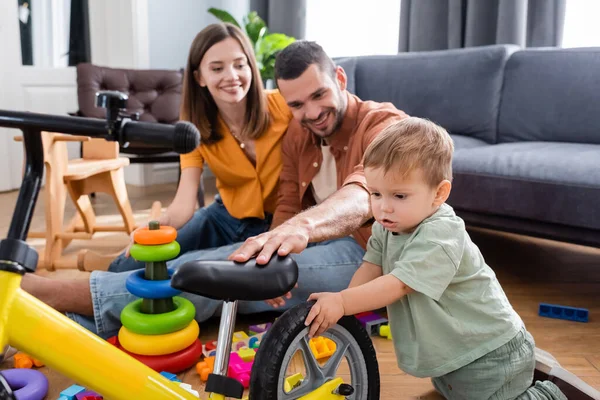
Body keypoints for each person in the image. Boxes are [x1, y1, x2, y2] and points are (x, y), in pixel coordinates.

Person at [21, 40, 408, 339]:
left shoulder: (384, 124)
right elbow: (289, 199)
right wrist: (274, 246)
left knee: (214, 275)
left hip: (368, 253)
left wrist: (300, 230)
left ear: (340, 79)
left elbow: (362, 195)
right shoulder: (299, 131)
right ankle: (68, 321)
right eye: (297, 104)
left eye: (319, 95)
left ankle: (60, 296)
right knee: (218, 262)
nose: (310, 112)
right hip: (319, 242)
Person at [303, 117, 594, 399]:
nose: (383, 208)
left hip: (488, 351)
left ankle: (550, 393)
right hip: (452, 352)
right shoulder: (386, 227)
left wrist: (342, 302)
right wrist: (344, 306)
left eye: (399, 196)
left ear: (439, 193)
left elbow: (398, 285)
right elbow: (371, 266)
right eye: (376, 194)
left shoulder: (441, 233)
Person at [107, 22, 292, 273]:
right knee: (129, 263)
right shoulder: (193, 128)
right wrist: (157, 226)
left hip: (282, 224)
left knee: (185, 270)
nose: (232, 76)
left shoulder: (285, 106)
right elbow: (184, 203)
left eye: (240, 64)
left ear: (251, 67)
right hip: (224, 218)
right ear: (199, 78)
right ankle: (104, 265)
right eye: (217, 68)